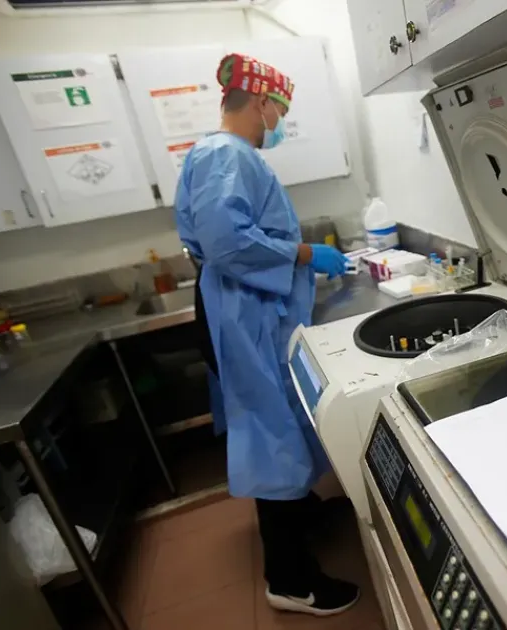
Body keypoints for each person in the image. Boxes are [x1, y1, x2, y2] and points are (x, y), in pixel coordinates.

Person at [174, 53, 358, 616]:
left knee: (280, 419)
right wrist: (305, 253)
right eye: (278, 110)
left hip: (247, 312)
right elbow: (230, 243)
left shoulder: (227, 156)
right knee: (270, 431)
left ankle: (299, 511)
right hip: (241, 316)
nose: (278, 121)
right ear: (259, 101)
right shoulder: (224, 155)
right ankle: (289, 579)